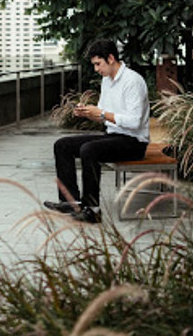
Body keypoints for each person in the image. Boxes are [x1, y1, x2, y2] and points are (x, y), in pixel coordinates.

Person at [44, 39, 150, 223]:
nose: (96, 69)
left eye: (98, 64)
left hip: (134, 142)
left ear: (110, 58)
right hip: (114, 136)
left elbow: (134, 122)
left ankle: (92, 208)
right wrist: (88, 113)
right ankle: (71, 201)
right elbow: (103, 115)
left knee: (89, 149)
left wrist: (100, 113)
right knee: (62, 145)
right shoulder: (107, 81)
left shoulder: (133, 81)